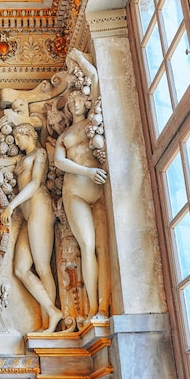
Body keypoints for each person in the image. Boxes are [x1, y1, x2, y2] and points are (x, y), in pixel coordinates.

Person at [54, 48, 109, 321]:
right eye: (71, 101)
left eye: (78, 99)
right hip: (75, 189)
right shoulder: (64, 135)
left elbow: (96, 77)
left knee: (103, 249)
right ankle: (90, 310)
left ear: (87, 103)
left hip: (97, 187)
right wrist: (87, 171)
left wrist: (77, 56)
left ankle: (102, 306)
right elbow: (60, 164)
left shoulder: (92, 122)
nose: (74, 103)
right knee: (87, 245)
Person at [0, 123, 63, 333]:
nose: (16, 142)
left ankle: (50, 322)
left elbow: (35, 183)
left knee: (43, 266)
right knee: (20, 268)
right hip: (28, 215)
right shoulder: (20, 159)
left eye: (19, 138)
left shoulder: (40, 153)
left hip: (39, 206)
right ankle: (52, 312)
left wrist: (12, 205)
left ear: (30, 136)